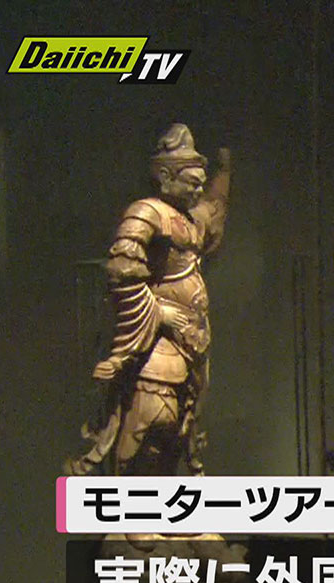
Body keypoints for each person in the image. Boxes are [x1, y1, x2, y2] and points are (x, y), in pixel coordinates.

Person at [66, 123, 231, 476]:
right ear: (166, 176)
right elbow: (122, 269)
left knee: (180, 429)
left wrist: (226, 166)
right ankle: (128, 502)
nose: (198, 189)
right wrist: (157, 312)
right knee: (150, 421)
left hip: (192, 340)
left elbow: (214, 211)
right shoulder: (146, 213)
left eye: (200, 182)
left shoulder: (190, 218)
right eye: (192, 182)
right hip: (157, 342)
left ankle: (163, 501)